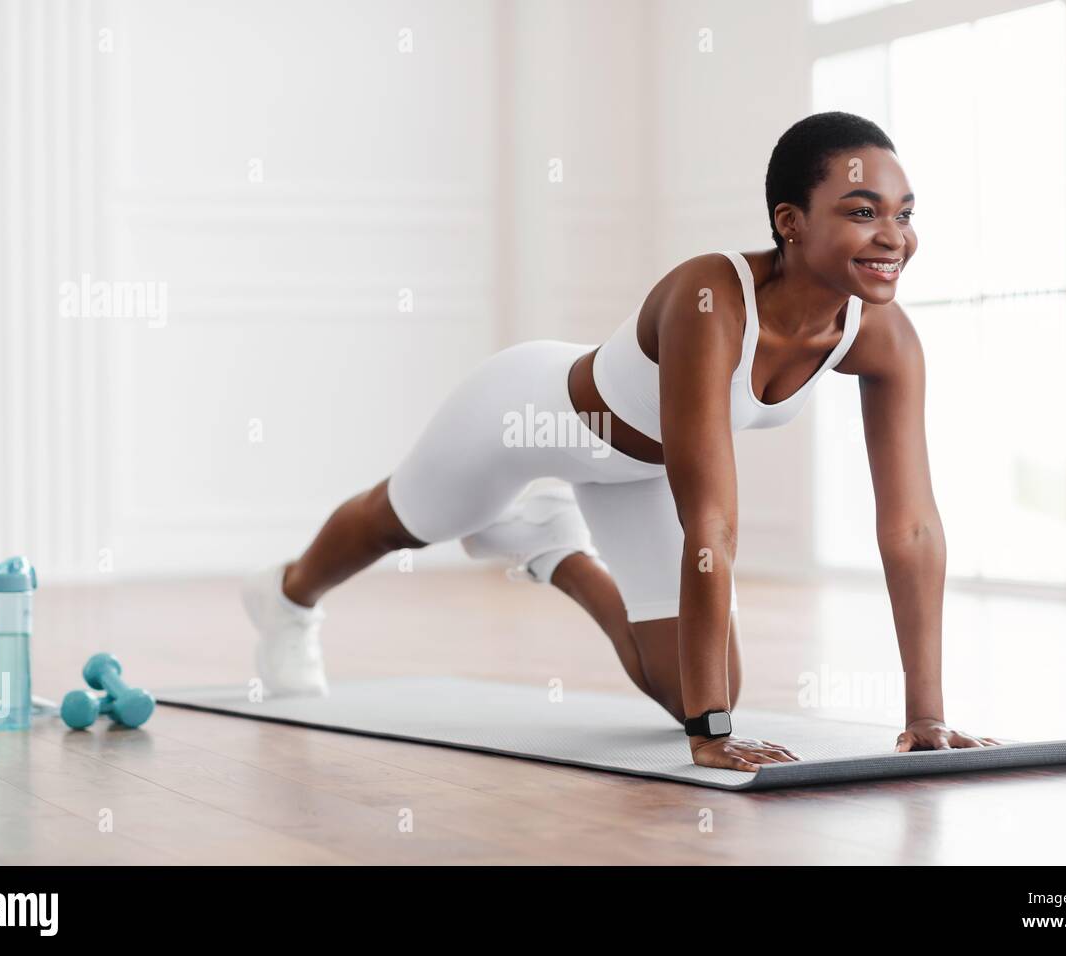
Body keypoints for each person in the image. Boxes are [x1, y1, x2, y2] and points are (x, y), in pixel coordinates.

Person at [241, 111, 1002, 772]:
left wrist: (926, 716)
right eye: (863, 211)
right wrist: (711, 737)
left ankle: (552, 550)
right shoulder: (709, 295)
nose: (893, 237)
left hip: (636, 470)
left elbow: (911, 526)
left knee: (700, 685)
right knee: (399, 524)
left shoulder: (885, 339)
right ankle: (286, 597)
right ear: (790, 220)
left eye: (904, 213)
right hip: (522, 417)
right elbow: (711, 522)